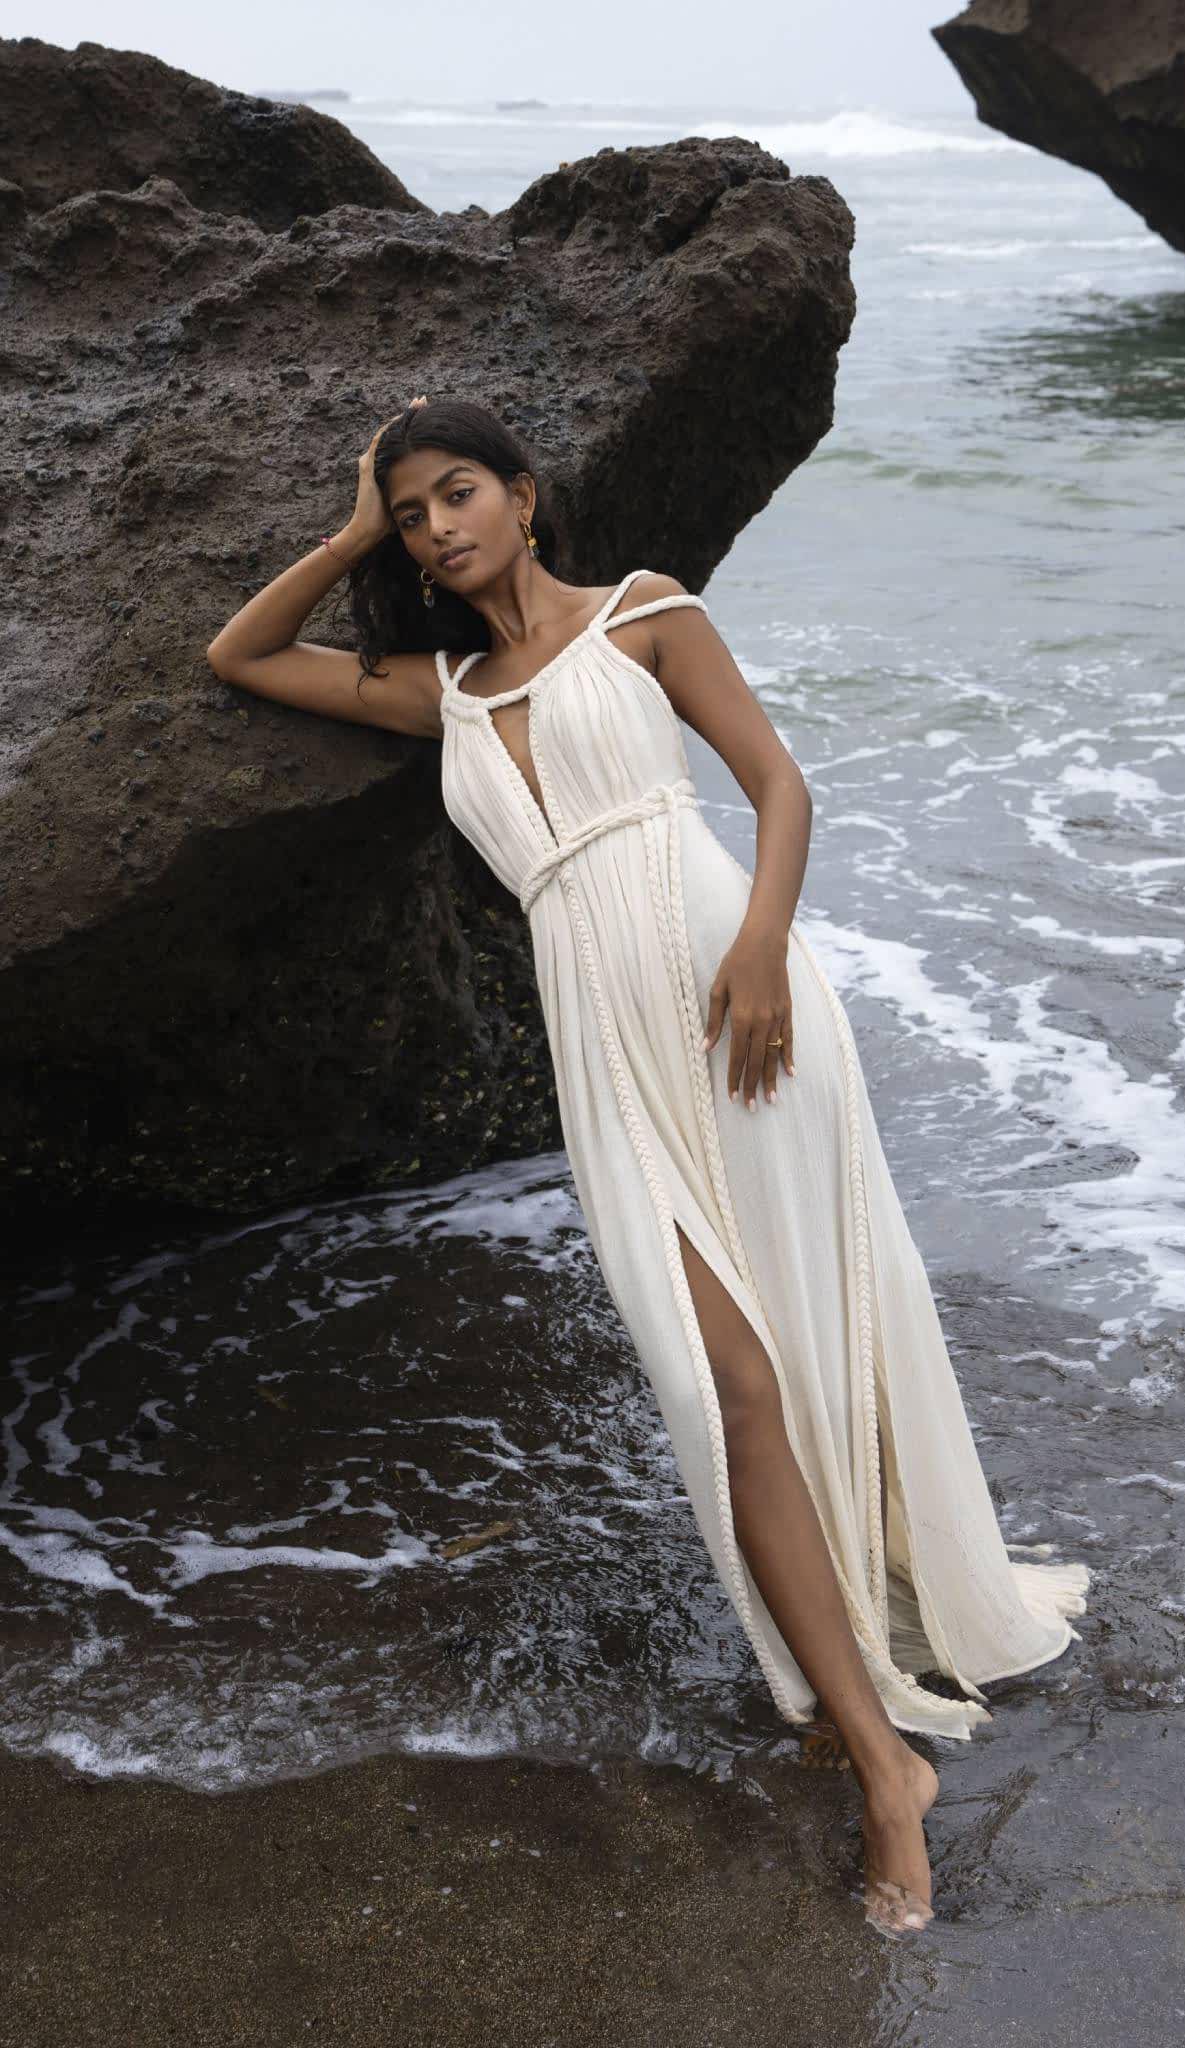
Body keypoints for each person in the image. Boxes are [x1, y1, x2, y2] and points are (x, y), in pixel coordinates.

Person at [206, 395, 1092, 1937]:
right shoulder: (449, 695)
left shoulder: (645, 614)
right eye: (413, 515)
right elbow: (244, 656)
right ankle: (877, 1739)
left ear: (527, 497)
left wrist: (761, 949)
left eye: (458, 493)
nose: (439, 528)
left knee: (808, 1324)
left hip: (733, 992)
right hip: (601, 1049)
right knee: (713, 1380)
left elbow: (779, 787)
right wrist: (344, 530)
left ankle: (881, 1761)